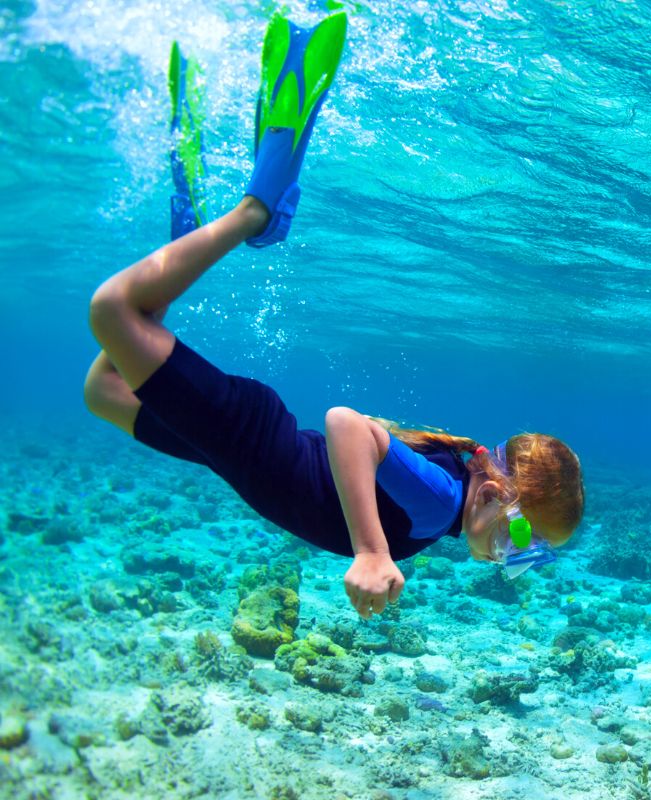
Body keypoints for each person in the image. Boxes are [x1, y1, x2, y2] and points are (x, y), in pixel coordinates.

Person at [83, 11, 585, 622]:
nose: (515, 558)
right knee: (112, 310)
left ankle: (183, 246)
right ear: (496, 492)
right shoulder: (440, 499)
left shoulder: (447, 498)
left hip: (247, 452)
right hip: (247, 438)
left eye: (534, 555)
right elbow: (348, 424)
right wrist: (373, 551)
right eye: (523, 537)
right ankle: (253, 213)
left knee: (102, 390)